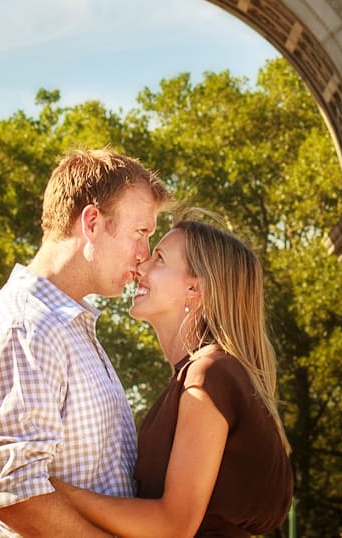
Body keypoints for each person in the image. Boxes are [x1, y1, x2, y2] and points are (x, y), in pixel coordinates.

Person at [0, 148, 171, 538]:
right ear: (91, 222)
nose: (143, 256)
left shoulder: (66, 328)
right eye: (141, 233)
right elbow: (17, 498)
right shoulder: (24, 330)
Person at [52, 214, 294, 538]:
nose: (141, 266)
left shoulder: (208, 376)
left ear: (194, 289)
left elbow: (173, 526)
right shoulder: (191, 379)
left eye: (160, 259)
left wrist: (50, 490)